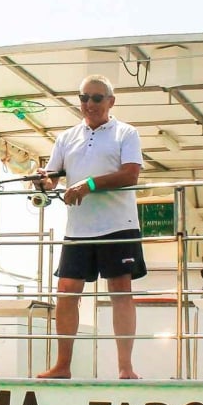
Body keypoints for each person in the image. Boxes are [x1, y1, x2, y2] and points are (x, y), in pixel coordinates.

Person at [33, 75, 144, 379]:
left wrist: (89, 184)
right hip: (78, 229)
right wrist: (42, 179)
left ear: (111, 102)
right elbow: (51, 180)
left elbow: (130, 175)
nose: (90, 104)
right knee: (67, 292)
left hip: (118, 226)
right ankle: (63, 366)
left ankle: (125, 368)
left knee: (121, 291)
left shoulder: (126, 133)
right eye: (84, 98)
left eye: (97, 98)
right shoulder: (66, 137)